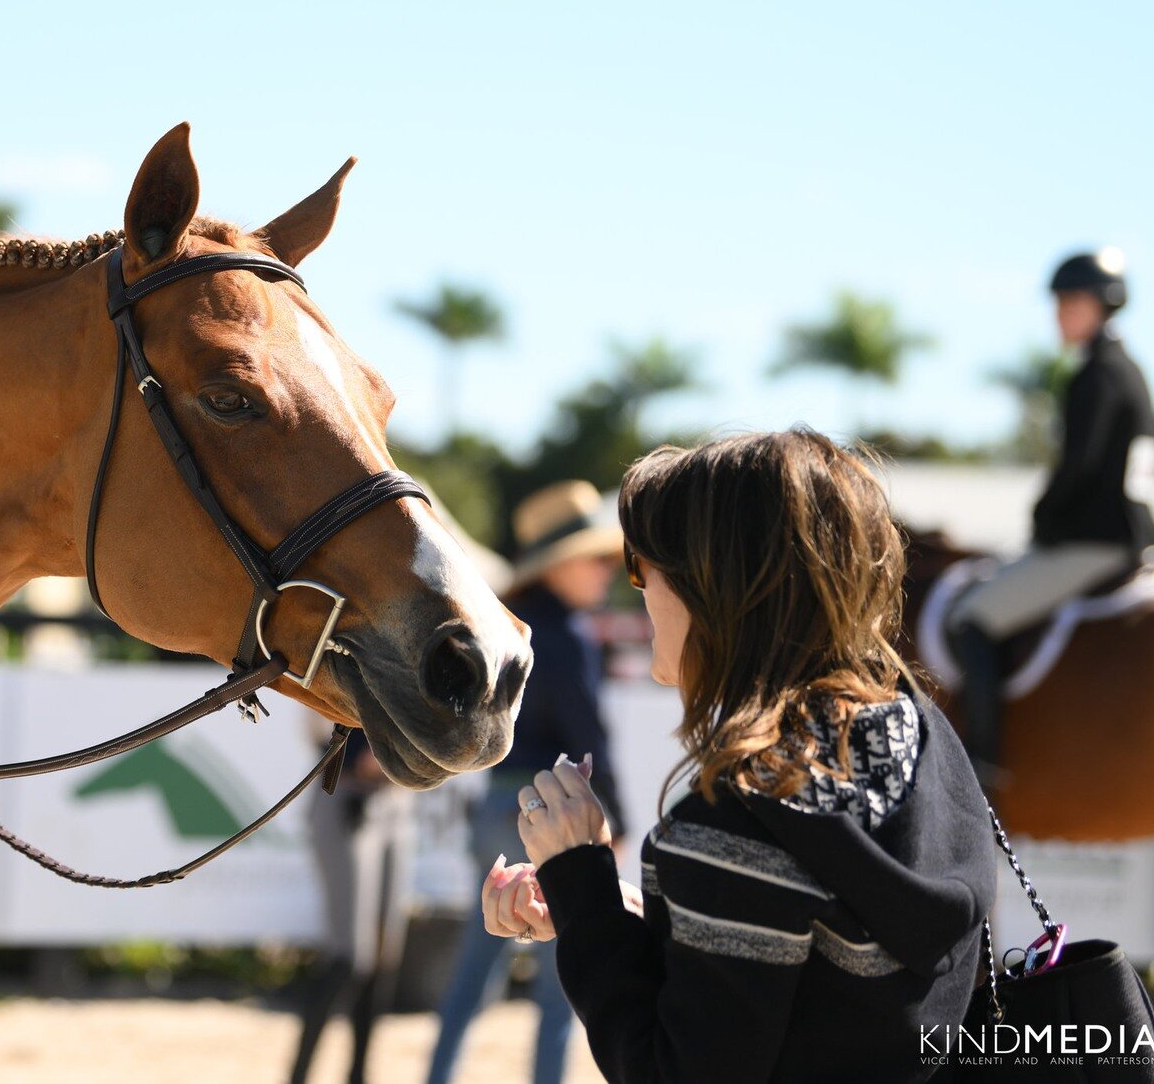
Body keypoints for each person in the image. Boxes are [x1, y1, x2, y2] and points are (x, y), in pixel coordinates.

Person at [482, 431, 998, 1083]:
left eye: (641, 567)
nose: (635, 591)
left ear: (712, 585)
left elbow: (671, 1068)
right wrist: (606, 910)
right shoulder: (919, 727)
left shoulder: (739, 813)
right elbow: (821, 966)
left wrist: (580, 877)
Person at [426, 480, 622, 1084]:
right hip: (549, 816)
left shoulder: (507, 627)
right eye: (598, 558)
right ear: (562, 564)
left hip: (492, 805)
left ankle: (437, 1076)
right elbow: (591, 734)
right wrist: (615, 820)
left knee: (476, 964)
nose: (608, 571)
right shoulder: (567, 637)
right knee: (564, 973)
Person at [946, 248, 1154, 779]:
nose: (1060, 314)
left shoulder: (1096, 375)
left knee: (971, 619)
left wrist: (1045, 519)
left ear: (1100, 306)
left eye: (1071, 302)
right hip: (1132, 535)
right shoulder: (1128, 369)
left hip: (1095, 542)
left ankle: (983, 765)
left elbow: (1080, 466)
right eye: (1059, 302)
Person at [288, 728, 416, 1084]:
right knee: (349, 956)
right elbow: (310, 714)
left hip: (396, 798)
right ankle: (297, 1076)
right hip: (345, 790)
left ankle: (359, 1075)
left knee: (382, 955)